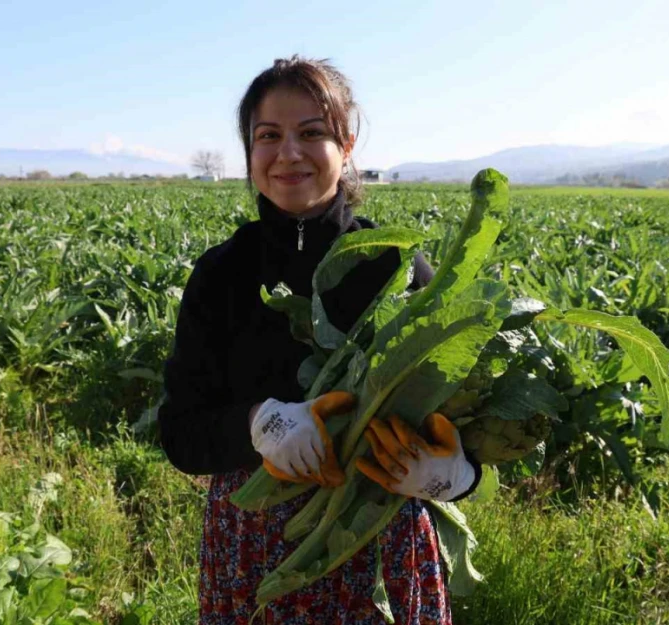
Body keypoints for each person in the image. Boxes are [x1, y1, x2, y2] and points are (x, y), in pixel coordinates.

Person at [157, 55, 483, 625]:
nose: (289, 154)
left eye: (312, 133)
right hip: (256, 548)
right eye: (269, 136)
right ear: (249, 151)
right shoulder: (221, 275)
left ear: (347, 144)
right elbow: (182, 433)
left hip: (382, 544)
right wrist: (260, 423)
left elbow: (473, 423)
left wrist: (453, 476)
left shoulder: (397, 266)